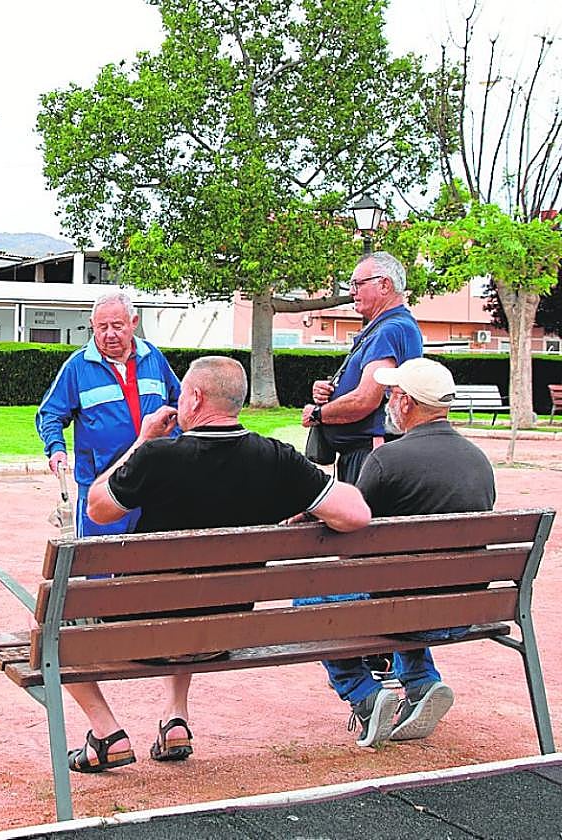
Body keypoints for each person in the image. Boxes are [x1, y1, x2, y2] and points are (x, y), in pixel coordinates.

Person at [63, 356, 371, 773]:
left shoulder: (156, 456)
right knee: (193, 597)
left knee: (58, 620)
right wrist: (311, 509)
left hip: (141, 634)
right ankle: (176, 719)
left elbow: (98, 508)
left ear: (193, 397)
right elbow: (355, 514)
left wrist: (142, 439)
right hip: (222, 628)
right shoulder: (276, 459)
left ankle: (106, 733)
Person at [318, 358, 495, 749]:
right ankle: (420, 681)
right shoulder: (479, 461)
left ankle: (364, 694)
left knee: (312, 596)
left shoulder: (386, 460)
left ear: (406, 403)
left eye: (391, 395)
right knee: (408, 586)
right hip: (464, 610)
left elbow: (347, 535)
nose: (388, 403)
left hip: (404, 610)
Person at [36, 291, 182, 537]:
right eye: (101, 327)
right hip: (101, 486)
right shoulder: (77, 366)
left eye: (117, 326)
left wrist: (174, 437)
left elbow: (181, 403)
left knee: (152, 561)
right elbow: (50, 413)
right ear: (92, 326)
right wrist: (56, 447)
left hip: (153, 478)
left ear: (133, 323)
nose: (109, 334)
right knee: (99, 564)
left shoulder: (154, 357)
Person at [302, 251, 423, 483]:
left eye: (357, 284)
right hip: (368, 453)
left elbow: (365, 400)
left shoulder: (390, 329)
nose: (352, 292)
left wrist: (317, 414)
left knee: (357, 518)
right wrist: (331, 391)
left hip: (370, 454)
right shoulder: (391, 327)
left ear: (384, 284)